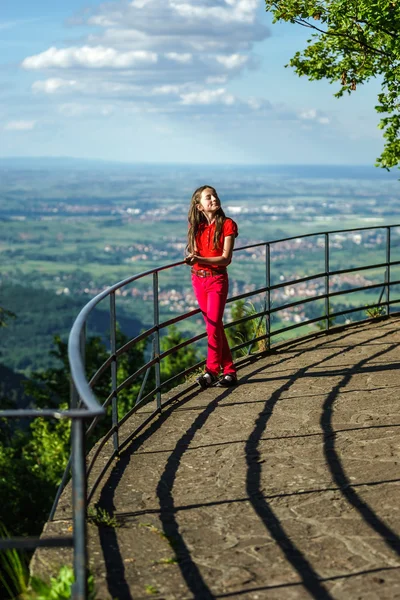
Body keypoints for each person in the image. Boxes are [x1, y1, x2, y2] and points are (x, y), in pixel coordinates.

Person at [185, 185, 238, 389]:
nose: (214, 199)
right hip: (198, 280)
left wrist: (199, 259)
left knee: (214, 324)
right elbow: (195, 253)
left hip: (217, 279)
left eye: (215, 195)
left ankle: (211, 371)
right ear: (199, 206)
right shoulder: (195, 228)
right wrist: (193, 258)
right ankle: (230, 371)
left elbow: (225, 259)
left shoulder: (227, 225)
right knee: (213, 326)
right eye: (209, 197)